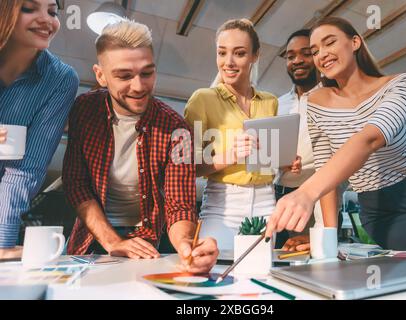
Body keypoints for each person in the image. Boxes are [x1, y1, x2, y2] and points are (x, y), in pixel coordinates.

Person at [265, 17, 406, 250]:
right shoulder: (318, 102)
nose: (322, 54)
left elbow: (371, 138)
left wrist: (305, 192)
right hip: (384, 209)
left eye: (330, 42)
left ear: (355, 42)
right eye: (315, 50)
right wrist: (327, 240)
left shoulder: (402, 84)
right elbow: (326, 170)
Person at [63, 19, 218, 273]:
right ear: (100, 75)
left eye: (147, 73)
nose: (139, 86)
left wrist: (187, 245)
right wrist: (113, 241)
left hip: (143, 243)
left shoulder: (177, 129)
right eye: (124, 76)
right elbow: (76, 182)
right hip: (89, 238)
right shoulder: (83, 110)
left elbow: (179, 204)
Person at [185, 19, 298, 251]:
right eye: (222, 53)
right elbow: (188, 166)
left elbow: (265, 161)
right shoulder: (202, 99)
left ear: (255, 55)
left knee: (260, 276)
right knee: (215, 271)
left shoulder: (270, 101)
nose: (228, 62)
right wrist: (229, 155)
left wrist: (283, 163)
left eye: (239, 53)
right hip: (222, 206)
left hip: (267, 203)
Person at [0, 0, 79, 259]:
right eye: (29, 8)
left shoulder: (61, 80)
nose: (47, 20)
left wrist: (3, 241)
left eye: (52, 12)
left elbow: (25, 170)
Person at [274, 29, 323, 250]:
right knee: (273, 258)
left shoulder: (332, 98)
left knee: (304, 258)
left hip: (315, 196)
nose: (297, 61)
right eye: (291, 56)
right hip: (276, 194)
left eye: (306, 53)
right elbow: (269, 154)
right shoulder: (277, 103)